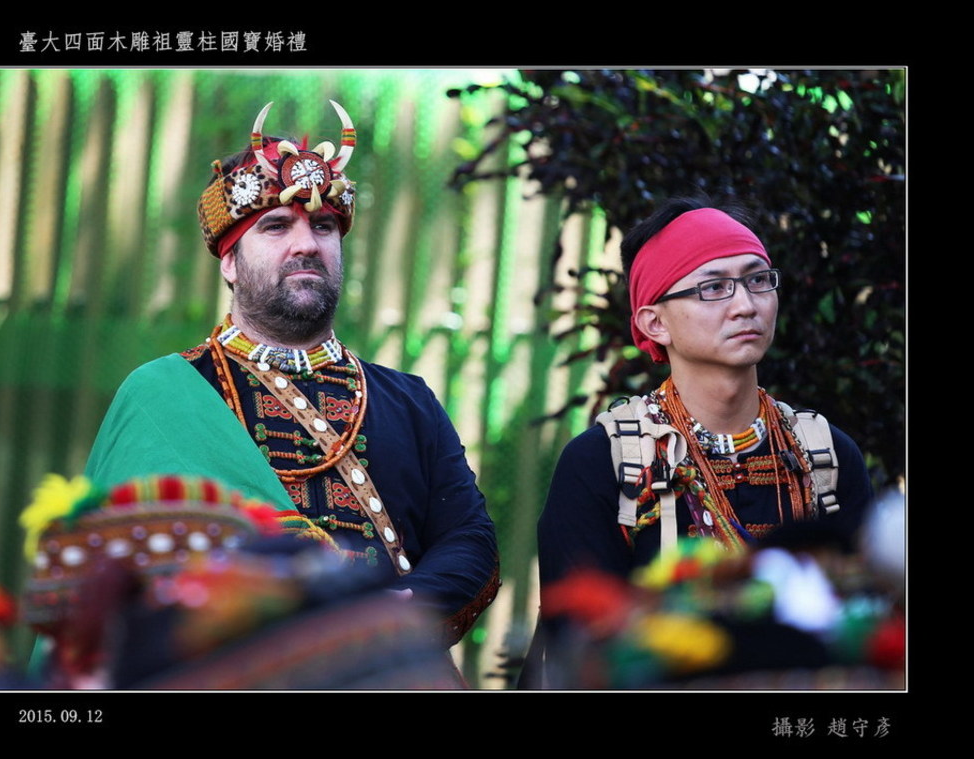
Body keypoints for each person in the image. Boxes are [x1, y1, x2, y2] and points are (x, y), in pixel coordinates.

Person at [85, 100, 500, 649]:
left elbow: (469, 539)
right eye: (276, 226)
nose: (306, 243)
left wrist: (398, 608)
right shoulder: (160, 396)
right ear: (229, 261)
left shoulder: (408, 400)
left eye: (324, 226)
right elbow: (116, 578)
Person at [530, 196, 872, 684]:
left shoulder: (827, 455)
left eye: (758, 280)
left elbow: (867, 624)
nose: (746, 305)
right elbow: (583, 644)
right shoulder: (605, 461)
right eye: (713, 288)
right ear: (654, 323)